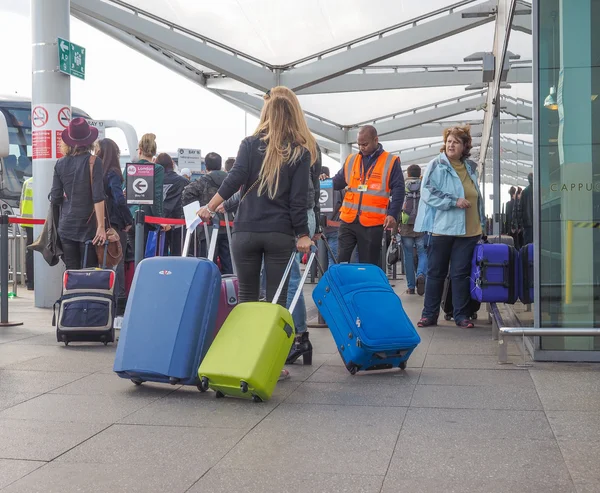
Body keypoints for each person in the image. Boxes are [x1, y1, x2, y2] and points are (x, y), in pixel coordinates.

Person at [198, 86, 316, 381]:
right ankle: (270, 365)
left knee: (248, 299)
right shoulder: (299, 151)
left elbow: (234, 178)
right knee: (275, 303)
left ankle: (243, 361)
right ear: (293, 113)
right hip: (279, 234)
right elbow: (298, 199)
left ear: (265, 113)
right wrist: (303, 234)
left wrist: (210, 207)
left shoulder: (249, 144)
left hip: (245, 232)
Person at [414, 125, 485, 329]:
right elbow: (427, 191)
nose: (451, 144)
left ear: (464, 146)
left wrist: (482, 225)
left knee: (460, 275)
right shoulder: (436, 165)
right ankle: (429, 315)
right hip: (442, 229)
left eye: (456, 142)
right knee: (435, 273)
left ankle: (461, 315)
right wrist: (454, 200)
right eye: (448, 141)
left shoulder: (470, 168)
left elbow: (476, 197)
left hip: (469, 231)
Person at [332, 125, 405, 264]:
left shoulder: (390, 161)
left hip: (372, 223)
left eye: (365, 144)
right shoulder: (351, 160)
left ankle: (367, 286)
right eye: (359, 144)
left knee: (369, 263)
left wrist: (393, 214)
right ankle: (343, 285)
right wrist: (324, 180)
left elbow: (399, 189)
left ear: (376, 140)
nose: (361, 148)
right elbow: (338, 182)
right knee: (341, 261)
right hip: (348, 220)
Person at [50, 118, 107, 269]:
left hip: (66, 227)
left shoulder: (60, 163)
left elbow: (55, 197)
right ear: (89, 141)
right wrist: (101, 226)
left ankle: (68, 294)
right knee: (89, 272)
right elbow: (98, 196)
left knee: (71, 272)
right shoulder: (95, 162)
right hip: (88, 229)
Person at [285, 144, 322, 365]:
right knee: (291, 279)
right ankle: (300, 338)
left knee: (290, 279)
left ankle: (298, 337)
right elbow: (314, 189)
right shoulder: (310, 146)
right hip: (306, 214)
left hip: (294, 217)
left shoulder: (295, 147)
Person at [96, 138, 133, 313]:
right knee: (116, 260)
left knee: (102, 262)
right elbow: (119, 199)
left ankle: (103, 300)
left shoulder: (96, 172)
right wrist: (128, 220)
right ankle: (119, 304)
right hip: (114, 224)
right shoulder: (113, 173)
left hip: (98, 223)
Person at [182, 152, 233, 274]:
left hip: (207, 227)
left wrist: (198, 210)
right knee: (229, 263)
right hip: (229, 227)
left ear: (206, 166)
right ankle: (230, 290)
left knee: (208, 264)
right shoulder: (230, 180)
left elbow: (186, 193)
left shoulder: (203, 180)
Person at [127, 133, 165, 257]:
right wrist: (159, 219)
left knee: (136, 258)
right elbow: (156, 195)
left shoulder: (130, 168)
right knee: (148, 258)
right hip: (148, 219)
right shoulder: (157, 169)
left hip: (131, 218)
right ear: (154, 152)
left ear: (140, 150)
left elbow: (123, 192)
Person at [399, 164, 427, 296]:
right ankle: (421, 274)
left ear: (408, 174)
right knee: (423, 253)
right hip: (421, 225)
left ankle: (411, 287)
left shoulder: (402, 186)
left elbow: (397, 206)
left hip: (405, 226)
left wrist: (394, 231)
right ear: (419, 173)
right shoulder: (424, 185)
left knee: (408, 256)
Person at [156, 153, 188, 256]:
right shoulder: (184, 181)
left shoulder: (153, 181)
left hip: (157, 222)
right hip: (178, 222)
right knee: (177, 255)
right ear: (172, 164)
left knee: (159, 255)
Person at [19, 176, 34, 290]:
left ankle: (31, 283)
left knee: (30, 253)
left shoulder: (27, 182)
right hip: (42, 223)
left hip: (29, 223)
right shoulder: (46, 181)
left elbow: (21, 202)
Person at [517, 173, 533, 245]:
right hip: (538, 223)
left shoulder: (525, 192)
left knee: (528, 245)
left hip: (527, 224)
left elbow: (520, 209)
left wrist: (520, 224)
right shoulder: (539, 189)